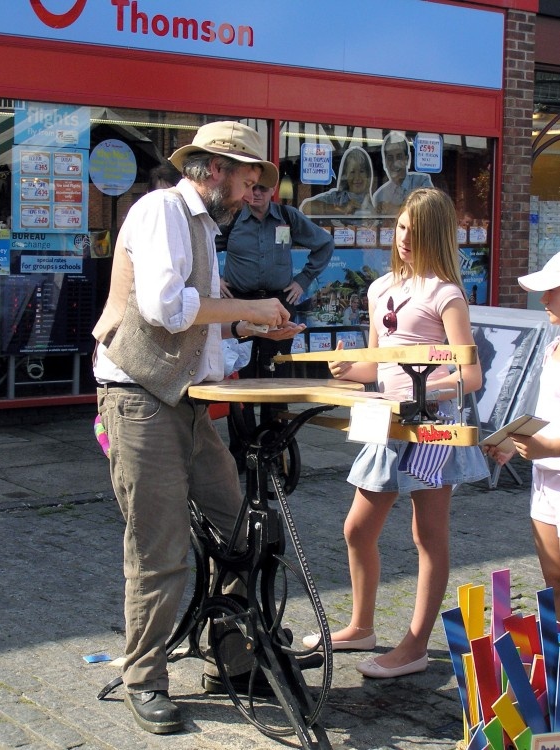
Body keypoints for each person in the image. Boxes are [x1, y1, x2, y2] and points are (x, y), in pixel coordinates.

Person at [92, 120, 305, 735]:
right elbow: (165, 310)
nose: (249, 192)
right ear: (214, 168)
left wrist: (248, 329)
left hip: (184, 401)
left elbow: (197, 324)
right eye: (245, 178)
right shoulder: (163, 210)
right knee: (159, 551)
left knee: (240, 530)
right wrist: (245, 307)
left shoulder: (205, 227)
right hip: (137, 400)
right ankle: (144, 676)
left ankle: (232, 661)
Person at [303, 188, 488, 678]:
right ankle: (361, 626)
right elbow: (377, 364)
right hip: (383, 425)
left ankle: (414, 646)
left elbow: (470, 375)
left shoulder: (447, 293)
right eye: (401, 226)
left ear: (437, 235)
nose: (405, 237)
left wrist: (426, 393)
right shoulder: (379, 287)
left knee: (428, 536)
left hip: (430, 429)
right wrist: (349, 368)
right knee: (357, 529)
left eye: (416, 230)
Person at [220, 179, 334, 466]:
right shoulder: (232, 217)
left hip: (278, 303)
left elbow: (324, 243)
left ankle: (274, 450)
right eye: (251, 188)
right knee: (239, 379)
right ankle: (242, 453)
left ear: (272, 191)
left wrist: (303, 280)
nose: (256, 193)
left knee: (276, 377)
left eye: (262, 188)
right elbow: (203, 245)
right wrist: (214, 279)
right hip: (241, 303)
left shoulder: (287, 217)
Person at [485, 252, 560, 617]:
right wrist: (514, 444)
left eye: (552, 291)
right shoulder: (551, 348)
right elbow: (546, 414)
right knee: (553, 577)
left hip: (552, 465)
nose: (544, 299)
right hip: (545, 480)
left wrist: (547, 446)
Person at [299, 147, 375, 217]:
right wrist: (341, 209)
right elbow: (307, 207)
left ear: (368, 175)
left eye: (362, 171)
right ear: (345, 175)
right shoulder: (336, 197)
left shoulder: (376, 199)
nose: (357, 177)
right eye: (352, 172)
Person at [372, 131, 434, 216]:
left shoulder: (422, 182)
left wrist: (395, 209)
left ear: (407, 159)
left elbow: (429, 211)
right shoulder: (379, 196)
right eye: (390, 158)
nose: (395, 163)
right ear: (385, 162)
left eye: (399, 157)